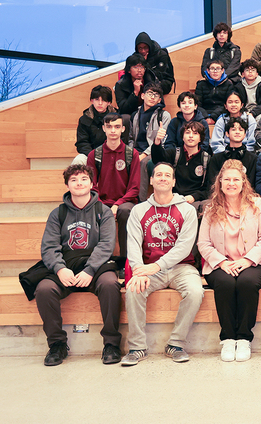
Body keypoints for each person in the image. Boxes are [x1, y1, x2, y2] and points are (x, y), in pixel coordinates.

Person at [33, 164, 121, 366]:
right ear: (67, 185)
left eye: (83, 179)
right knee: (44, 289)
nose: (79, 183)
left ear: (92, 183)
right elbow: (49, 247)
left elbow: (106, 245)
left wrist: (90, 269)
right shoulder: (58, 213)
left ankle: (111, 344)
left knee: (110, 285)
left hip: (96, 266)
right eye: (73, 180)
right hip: (67, 264)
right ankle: (57, 344)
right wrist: (59, 268)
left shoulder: (103, 211)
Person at [120, 162, 203, 366]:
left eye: (168, 175)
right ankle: (137, 347)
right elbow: (133, 244)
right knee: (133, 289)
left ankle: (175, 344)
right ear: (151, 180)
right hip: (148, 267)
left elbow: (184, 247)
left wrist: (156, 267)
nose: (163, 178)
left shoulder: (187, 210)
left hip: (181, 267)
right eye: (159, 175)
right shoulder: (139, 210)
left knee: (195, 291)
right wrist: (139, 271)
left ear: (174, 181)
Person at [198, 160, 261, 362]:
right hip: (220, 263)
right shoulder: (211, 208)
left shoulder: (256, 204)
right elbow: (203, 243)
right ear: (220, 182)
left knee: (246, 282)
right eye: (227, 179)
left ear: (243, 182)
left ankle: (244, 338)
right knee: (225, 282)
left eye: (236, 179)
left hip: (253, 262)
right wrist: (222, 262)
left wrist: (248, 260)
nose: (231, 183)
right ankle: (228, 338)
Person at [86, 113, 141, 259]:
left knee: (124, 212)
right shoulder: (94, 155)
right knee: (93, 211)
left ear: (123, 129)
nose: (113, 130)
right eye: (109, 127)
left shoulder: (132, 154)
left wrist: (117, 204)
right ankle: (98, 260)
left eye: (117, 127)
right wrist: (102, 204)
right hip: (101, 201)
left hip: (125, 202)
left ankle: (125, 260)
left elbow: (134, 188)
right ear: (104, 128)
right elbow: (91, 186)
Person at [151, 121, 211, 209]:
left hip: (195, 200)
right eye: (187, 132)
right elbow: (158, 160)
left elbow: (209, 188)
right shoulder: (174, 153)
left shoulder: (206, 159)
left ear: (200, 138)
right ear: (182, 137)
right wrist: (157, 141)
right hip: (172, 197)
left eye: (195, 133)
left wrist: (194, 197)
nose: (191, 136)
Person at [128, 82, 171, 200]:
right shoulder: (135, 115)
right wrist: (131, 152)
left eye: (156, 95)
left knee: (143, 162)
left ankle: (139, 200)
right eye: (150, 93)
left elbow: (162, 140)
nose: (152, 97)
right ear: (142, 96)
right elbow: (131, 138)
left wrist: (144, 154)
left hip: (154, 150)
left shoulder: (163, 115)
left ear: (159, 100)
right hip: (137, 149)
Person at [206, 117, 257, 188]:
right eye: (233, 129)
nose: (237, 132)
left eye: (241, 130)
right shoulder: (216, 158)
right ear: (227, 134)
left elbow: (252, 184)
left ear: (245, 134)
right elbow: (212, 184)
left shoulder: (252, 159)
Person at [73, 85, 117, 166]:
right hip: (91, 155)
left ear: (109, 103)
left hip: (113, 154)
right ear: (92, 101)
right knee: (79, 160)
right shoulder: (84, 119)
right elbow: (82, 143)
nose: (100, 103)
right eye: (97, 100)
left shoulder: (117, 118)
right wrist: (94, 156)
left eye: (103, 100)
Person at [196, 59, 236, 124]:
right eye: (212, 69)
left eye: (218, 69)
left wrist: (213, 117)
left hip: (221, 113)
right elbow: (197, 104)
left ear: (222, 71)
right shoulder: (201, 84)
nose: (215, 71)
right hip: (204, 113)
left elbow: (228, 104)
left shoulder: (229, 84)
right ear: (208, 71)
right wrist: (206, 117)